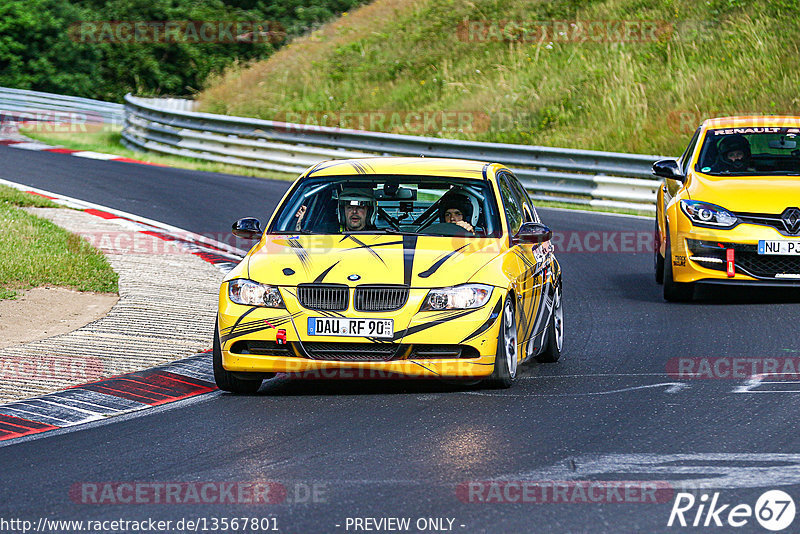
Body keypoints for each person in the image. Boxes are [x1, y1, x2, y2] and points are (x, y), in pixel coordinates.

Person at [295, 187, 377, 232]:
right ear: (342, 211)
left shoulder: (380, 236)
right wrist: (298, 223)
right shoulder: (324, 232)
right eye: (349, 207)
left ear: (369, 211)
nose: (354, 211)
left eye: (360, 207)